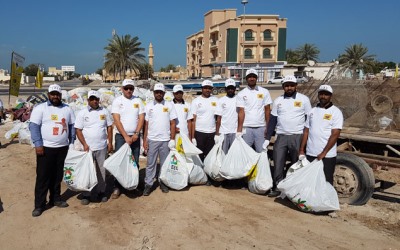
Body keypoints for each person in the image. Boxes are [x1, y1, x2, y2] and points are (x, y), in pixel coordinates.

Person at [29, 84, 76, 217]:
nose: (55, 96)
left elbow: (72, 126)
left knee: (57, 176)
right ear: (49, 94)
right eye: (53, 94)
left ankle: (55, 199)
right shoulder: (40, 108)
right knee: (43, 177)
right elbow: (34, 127)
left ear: (60, 95)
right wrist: (38, 144)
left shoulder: (67, 109)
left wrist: (71, 142)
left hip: (62, 148)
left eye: (57, 94)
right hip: (45, 149)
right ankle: (39, 205)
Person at [265, 75, 312, 197]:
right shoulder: (278, 101)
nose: (289, 88)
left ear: (296, 86)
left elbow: (309, 119)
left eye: (291, 85)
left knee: (296, 164)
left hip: (297, 136)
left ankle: (295, 190)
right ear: (283, 87)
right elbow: (273, 121)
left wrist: (308, 138)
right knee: (278, 162)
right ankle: (278, 187)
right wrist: (267, 138)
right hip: (281, 136)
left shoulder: (304, 99)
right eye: (286, 86)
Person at [299, 84, 343, 185]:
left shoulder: (336, 112)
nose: (323, 96)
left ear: (330, 96)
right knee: (311, 181)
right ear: (318, 95)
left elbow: (335, 135)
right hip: (311, 153)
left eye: (326, 94)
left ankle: (326, 201)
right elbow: (306, 131)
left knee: (326, 181)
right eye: (321, 94)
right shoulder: (312, 111)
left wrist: (324, 152)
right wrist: (302, 150)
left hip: (327, 156)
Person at [74, 90, 113, 205]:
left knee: (101, 170)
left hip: (102, 147)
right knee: (87, 171)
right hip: (87, 148)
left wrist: (110, 143)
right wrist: (84, 144)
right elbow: (78, 130)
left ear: (99, 100)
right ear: (88, 100)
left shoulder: (105, 111)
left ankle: (101, 191)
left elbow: (109, 127)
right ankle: (87, 194)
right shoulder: (82, 113)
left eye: (96, 99)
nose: (95, 101)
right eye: (92, 99)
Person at [111, 79, 145, 199]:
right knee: (120, 162)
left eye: (131, 88)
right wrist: (125, 136)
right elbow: (116, 120)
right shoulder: (117, 101)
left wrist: (136, 133)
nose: (129, 90)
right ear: (122, 89)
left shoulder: (138, 101)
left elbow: (141, 118)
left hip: (135, 136)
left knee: (134, 162)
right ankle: (117, 187)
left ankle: (132, 185)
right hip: (121, 137)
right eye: (126, 88)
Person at [143, 83, 177, 196]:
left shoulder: (170, 105)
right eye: (156, 92)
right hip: (152, 139)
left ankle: (162, 182)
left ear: (164, 93)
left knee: (164, 163)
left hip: (165, 140)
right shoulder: (148, 106)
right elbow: (146, 125)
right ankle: (148, 184)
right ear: (153, 93)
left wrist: (172, 139)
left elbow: (173, 123)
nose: (158, 94)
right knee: (150, 164)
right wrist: (144, 140)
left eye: (160, 92)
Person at [236, 68, 272, 153]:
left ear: (257, 78)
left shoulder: (264, 92)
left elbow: (267, 110)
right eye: (249, 77)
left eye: (253, 77)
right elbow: (241, 112)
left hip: (261, 128)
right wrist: (239, 130)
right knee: (245, 153)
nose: (251, 78)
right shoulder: (241, 93)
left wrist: (268, 127)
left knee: (261, 152)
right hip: (247, 128)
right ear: (246, 78)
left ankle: (261, 167)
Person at [190, 80, 219, 161]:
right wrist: (192, 137)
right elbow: (193, 120)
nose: (207, 90)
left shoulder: (216, 100)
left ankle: (208, 173)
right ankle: (200, 173)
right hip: (199, 133)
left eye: (209, 88)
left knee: (210, 157)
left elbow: (219, 118)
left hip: (211, 133)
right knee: (199, 156)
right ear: (202, 89)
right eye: (205, 88)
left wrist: (217, 134)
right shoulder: (196, 101)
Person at [215, 78, 238, 154]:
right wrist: (217, 133)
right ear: (225, 89)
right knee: (223, 153)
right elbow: (219, 118)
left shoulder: (239, 99)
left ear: (235, 88)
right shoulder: (221, 100)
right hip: (223, 132)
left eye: (232, 88)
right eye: (228, 88)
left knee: (234, 154)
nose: (230, 90)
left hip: (235, 132)